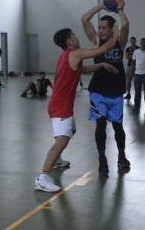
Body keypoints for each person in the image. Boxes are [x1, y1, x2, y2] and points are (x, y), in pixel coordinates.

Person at [34, 26, 120, 193]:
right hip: (60, 105)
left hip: (60, 104)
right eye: (73, 35)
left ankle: (57, 160)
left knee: (70, 131)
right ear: (68, 41)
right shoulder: (75, 53)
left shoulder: (68, 56)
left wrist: (101, 64)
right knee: (62, 140)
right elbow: (103, 48)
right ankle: (42, 177)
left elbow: (85, 69)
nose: (76, 37)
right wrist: (115, 36)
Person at [81, 0, 130, 176]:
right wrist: (101, 6)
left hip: (116, 91)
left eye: (103, 28)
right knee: (100, 124)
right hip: (98, 90)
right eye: (99, 27)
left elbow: (125, 25)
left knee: (118, 126)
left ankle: (122, 155)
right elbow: (84, 19)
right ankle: (102, 158)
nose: (100, 31)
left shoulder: (120, 42)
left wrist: (119, 10)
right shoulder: (96, 41)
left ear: (111, 30)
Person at [130, 38, 145, 113]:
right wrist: (132, 71)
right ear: (140, 43)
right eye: (142, 42)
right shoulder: (136, 51)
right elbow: (133, 62)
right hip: (137, 75)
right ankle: (136, 106)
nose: (144, 43)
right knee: (137, 91)